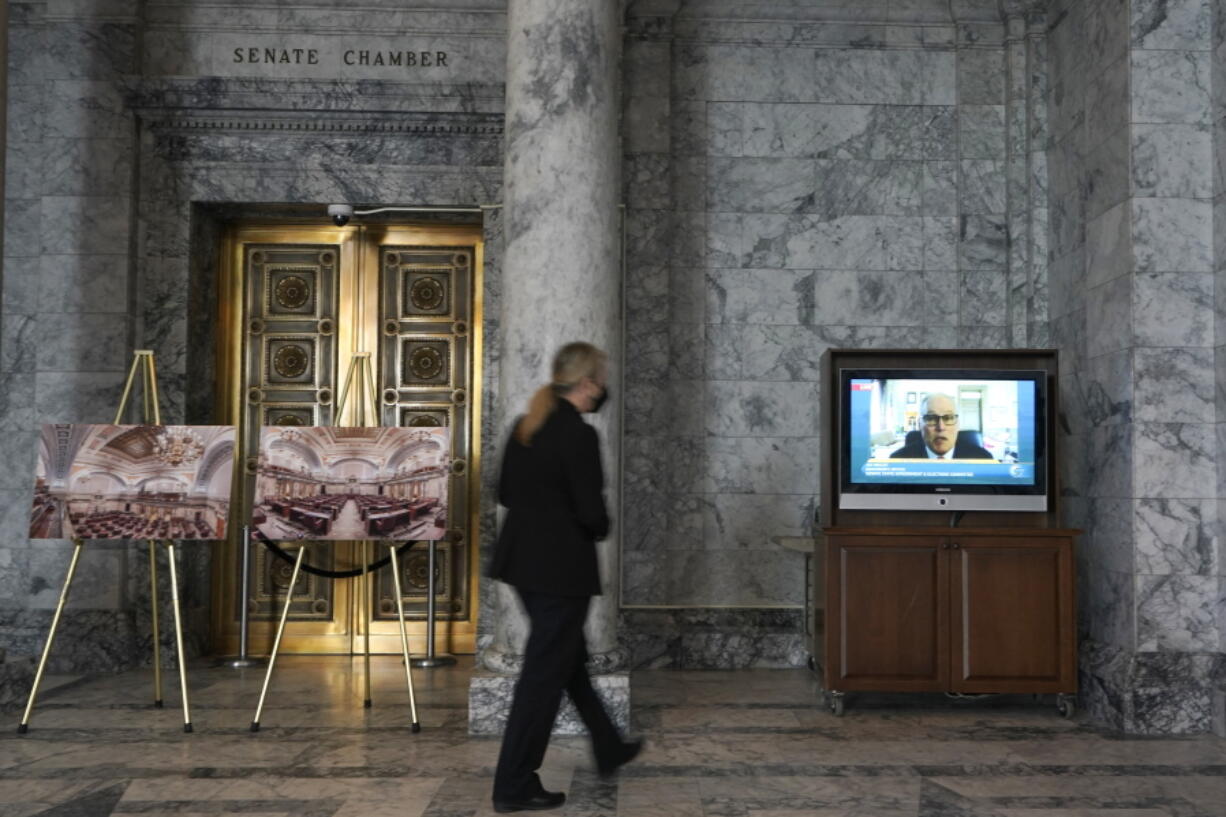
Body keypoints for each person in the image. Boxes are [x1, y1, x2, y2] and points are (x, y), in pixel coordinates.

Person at [488, 342, 642, 814]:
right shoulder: (577, 434)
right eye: (601, 377)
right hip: (560, 571)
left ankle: (607, 744)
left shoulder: (527, 425)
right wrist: (595, 525)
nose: (604, 386)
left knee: (565, 659)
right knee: (542, 678)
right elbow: (593, 514)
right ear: (588, 383)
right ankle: (512, 785)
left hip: (523, 565)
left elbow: (506, 492)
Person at [890, 393, 995, 460]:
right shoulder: (897, 460)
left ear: (958, 424)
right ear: (919, 425)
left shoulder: (983, 458)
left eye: (948, 418)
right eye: (931, 418)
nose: (940, 427)